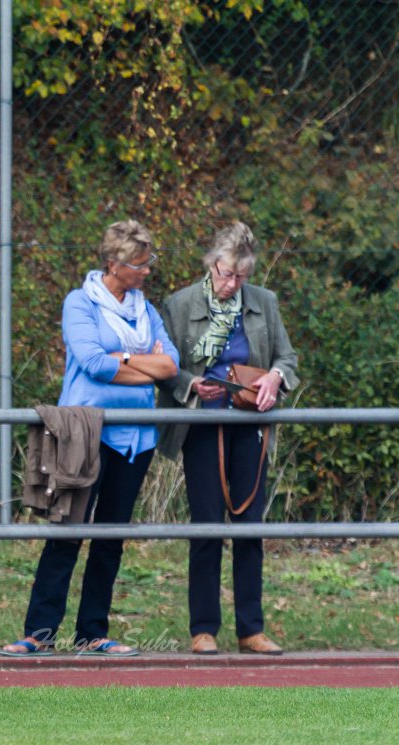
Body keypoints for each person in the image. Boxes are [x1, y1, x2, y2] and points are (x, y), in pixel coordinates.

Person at [0, 219, 178, 658]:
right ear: (115, 265)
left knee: (110, 537)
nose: (147, 271)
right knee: (67, 532)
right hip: (85, 436)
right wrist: (143, 366)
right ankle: (38, 632)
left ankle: (93, 632)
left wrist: (127, 361)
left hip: (136, 440)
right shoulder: (80, 303)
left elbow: (171, 364)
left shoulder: (146, 310)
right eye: (141, 264)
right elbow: (94, 363)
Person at [157, 222, 298, 655]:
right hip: (201, 428)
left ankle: (250, 629)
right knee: (206, 526)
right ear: (211, 264)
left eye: (240, 277)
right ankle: (203, 629)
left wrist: (276, 377)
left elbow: (287, 357)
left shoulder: (264, 303)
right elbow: (163, 369)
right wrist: (193, 385)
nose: (231, 284)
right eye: (225, 274)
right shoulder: (179, 305)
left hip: (249, 424)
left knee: (249, 526)